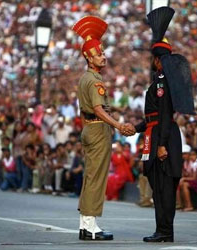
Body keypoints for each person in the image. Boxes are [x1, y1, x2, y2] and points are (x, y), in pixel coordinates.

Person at [133, 7, 195, 242]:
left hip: (163, 137)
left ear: (158, 60)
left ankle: (165, 231)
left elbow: (165, 113)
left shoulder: (161, 82)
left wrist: (160, 145)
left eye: (154, 59)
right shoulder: (161, 81)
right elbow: (153, 116)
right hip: (157, 133)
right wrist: (135, 129)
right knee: (159, 188)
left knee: (164, 188)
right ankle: (163, 229)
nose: (153, 63)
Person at [72, 16, 135, 241]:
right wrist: (118, 125)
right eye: (99, 53)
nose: (103, 56)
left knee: (90, 176)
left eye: (103, 52)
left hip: (89, 129)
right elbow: (98, 109)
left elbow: (84, 111)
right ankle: (90, 226)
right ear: (89, 58)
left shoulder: (84, 79)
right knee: (97, 178)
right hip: (98, 130)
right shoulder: (95, 81)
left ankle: (84, 224)